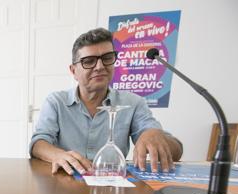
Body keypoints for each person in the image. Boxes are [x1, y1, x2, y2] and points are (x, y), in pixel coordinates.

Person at [30, 27, 182, 175]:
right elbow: (38, 143)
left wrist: (154, 135)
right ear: (73, 71)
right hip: (65, 181)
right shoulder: (56, 102)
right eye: (89, 61)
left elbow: (176, 150)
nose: (100, 67)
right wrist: (56, 155)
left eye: (107, 58)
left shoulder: (133, 102)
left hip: (111, 185)